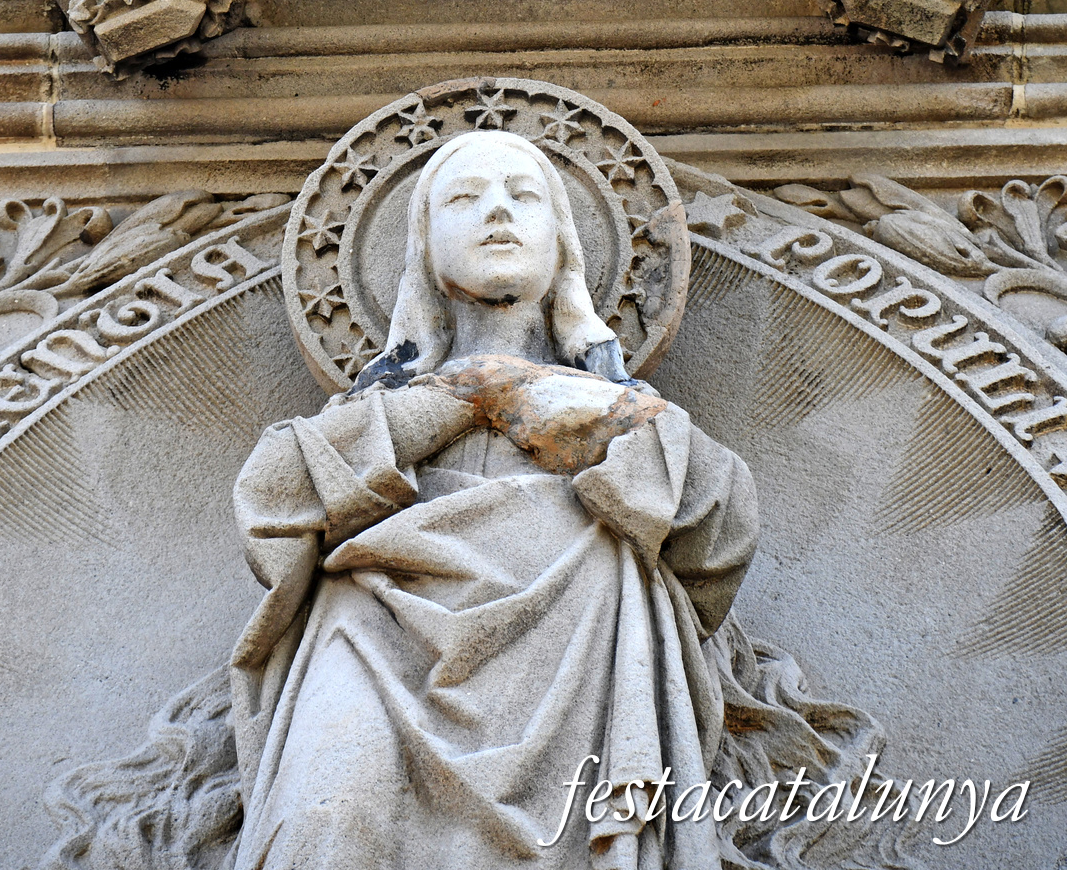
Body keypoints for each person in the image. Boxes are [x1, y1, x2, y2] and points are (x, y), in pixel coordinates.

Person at [230, 130, 758, 869]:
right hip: (375, 634)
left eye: (523, 196)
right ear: (424, 246)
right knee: (326, 822)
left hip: (577, 643)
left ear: (562, 243)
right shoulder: (371, 414)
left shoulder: (630, 413)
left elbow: (718, 533)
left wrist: (552, 399)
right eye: (465, 197)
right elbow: (271, 502)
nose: (498, 213)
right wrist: (462, 395)